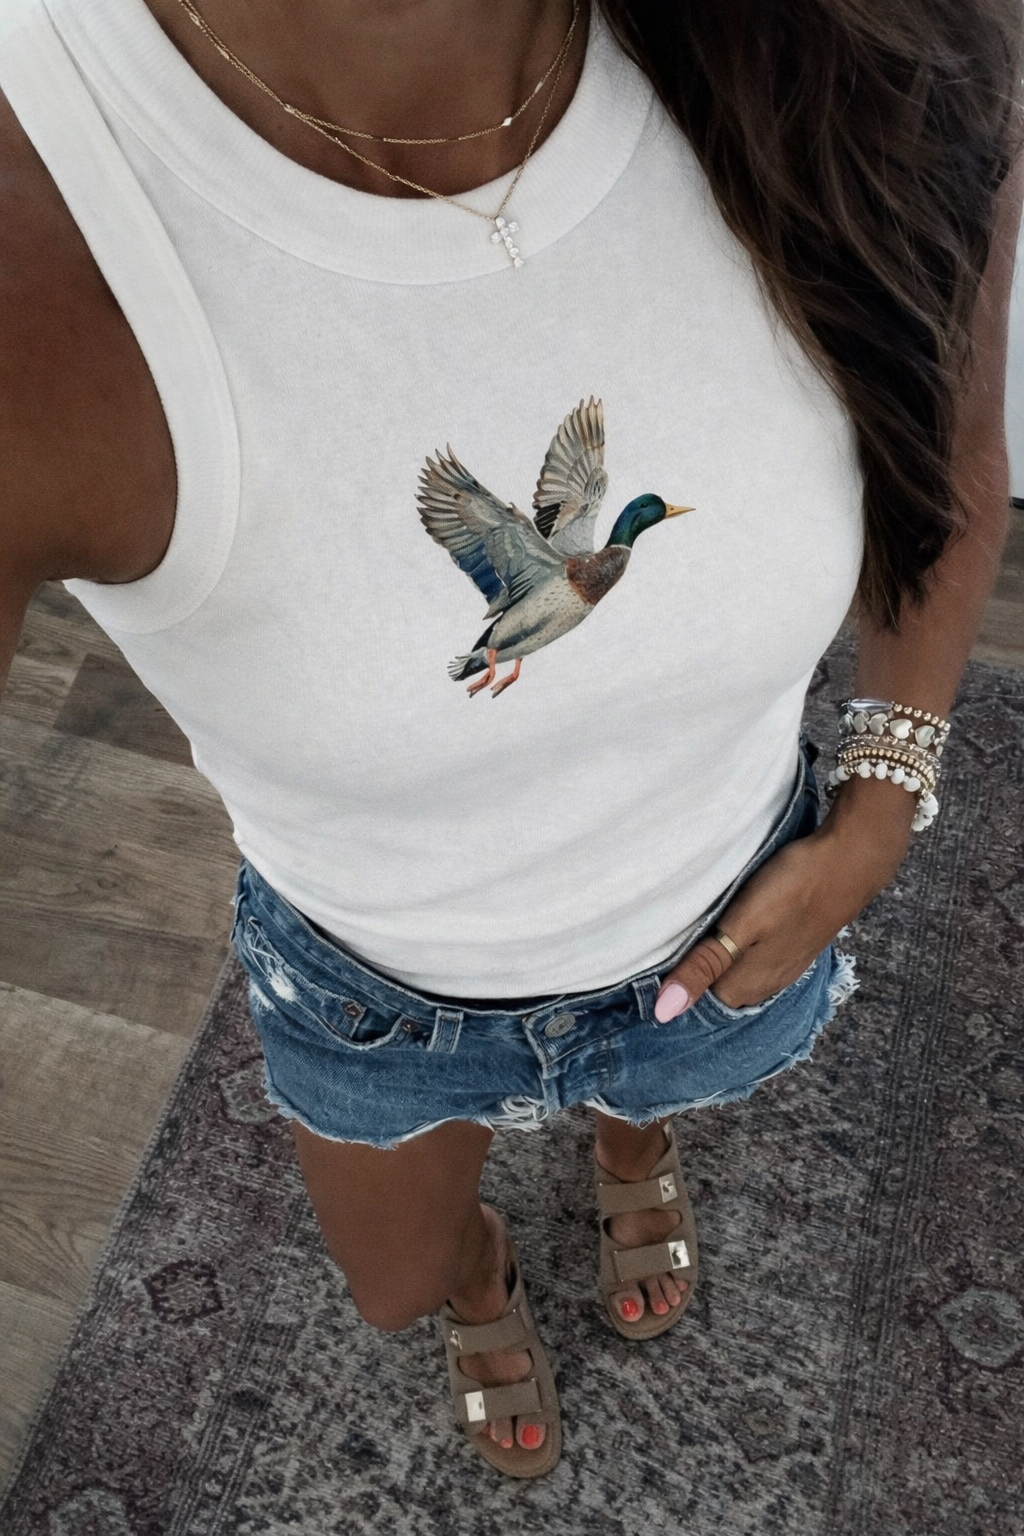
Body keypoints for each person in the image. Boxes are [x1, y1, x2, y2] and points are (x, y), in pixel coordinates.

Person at [0, 0, 1021, 1481]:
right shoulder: (46, 209)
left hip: (721, 923)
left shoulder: (881, 48)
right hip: (378, 1000)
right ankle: (482, 1270)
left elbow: (960, 457)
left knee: (649, 1088)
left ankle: (627, 1138)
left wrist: (880, 804)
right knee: (397, 1287)